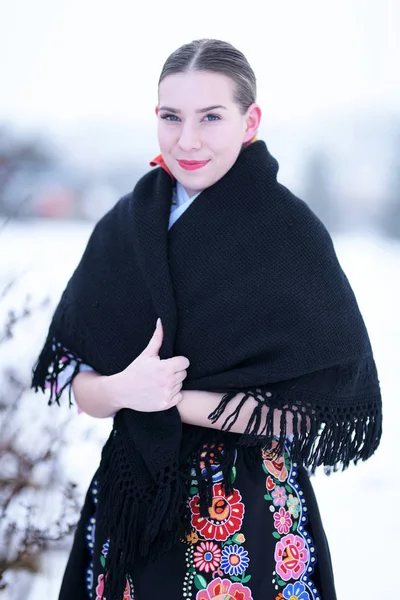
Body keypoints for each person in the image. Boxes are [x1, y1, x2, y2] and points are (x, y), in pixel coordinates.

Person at [32, 39, 382, 600]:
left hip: (243, 514)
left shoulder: (289, 235)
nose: (187, 140)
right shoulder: (126, 225)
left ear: (250, 122)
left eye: (211, 117)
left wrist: (170, 399)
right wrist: (125, 388)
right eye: (171, 117)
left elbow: (306, 414)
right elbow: (78, 386)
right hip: (129, 502)